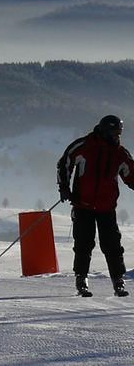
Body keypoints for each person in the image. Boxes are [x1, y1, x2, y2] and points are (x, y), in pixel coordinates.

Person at [57, 115, 134, 297]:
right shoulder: (84, 146)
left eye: (119, 133)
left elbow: (131, 175)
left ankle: (118, 281)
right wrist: (64, 187)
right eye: (114, 133)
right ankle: (81, 279)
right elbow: (64, 163)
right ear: (105, 131)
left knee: (113, 245)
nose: (117, 137)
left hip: (106, 208)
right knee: (84, 243)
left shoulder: (120, 153)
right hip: (83, 205)